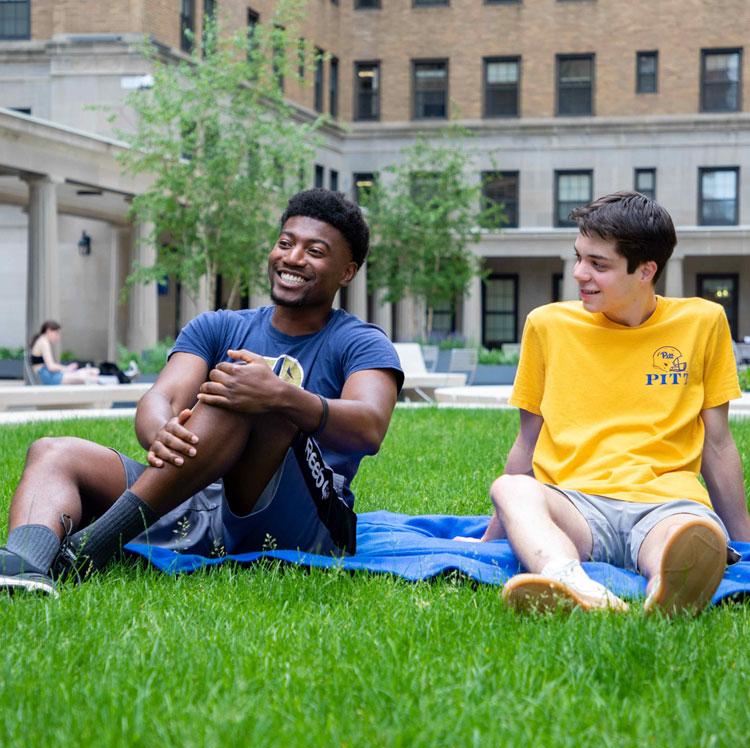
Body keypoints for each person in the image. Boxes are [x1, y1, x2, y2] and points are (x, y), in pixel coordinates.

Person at [0, 189, 403, 596]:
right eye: (285, 243)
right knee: (53, 452)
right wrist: (162, 431)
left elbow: (369, 426)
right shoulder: (217, 326)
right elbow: (162, 399)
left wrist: (281, 395)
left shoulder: (360, 342)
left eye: (314, 251)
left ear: (347, 272)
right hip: (195, 499)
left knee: (245, 385)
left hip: (304, 522)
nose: (293, 258)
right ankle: (23, 566)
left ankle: (90, 550)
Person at [481, 191, 750, 616]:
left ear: (646, 270)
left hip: (667, 503)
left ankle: (667, 590)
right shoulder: (547, 325)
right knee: (509, 489)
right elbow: (527, 442)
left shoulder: (703, 322)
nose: (578, 273)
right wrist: (493, 538)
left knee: (688, 534)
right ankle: (571, 582)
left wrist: (744, 544)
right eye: (579, 257)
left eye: (597, 265)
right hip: (574, 503)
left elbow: (717, 444)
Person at [29, 321, 100, 385]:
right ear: (49, 331)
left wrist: (67, 369)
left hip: (49, 375)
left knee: (90, 372)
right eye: (56, 333)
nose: (58, 337)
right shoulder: (44, 342)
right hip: (49, 377)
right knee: (89, 376)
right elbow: (51, 367)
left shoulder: (41, 340)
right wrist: (67, 368)